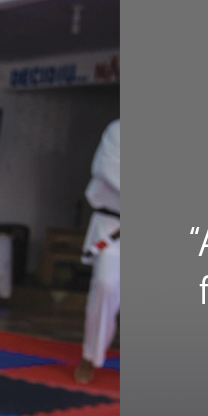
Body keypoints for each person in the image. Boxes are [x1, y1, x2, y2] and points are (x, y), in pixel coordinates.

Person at [75, 120, 121, 384]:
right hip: (113, 225)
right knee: (104, 285)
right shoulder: (118, 131)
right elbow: (107, 170)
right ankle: (90, 356)